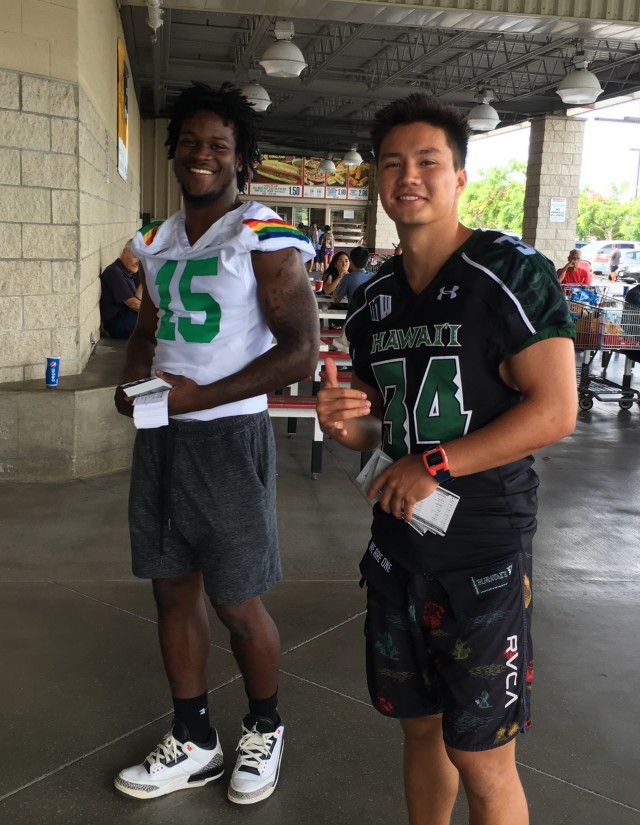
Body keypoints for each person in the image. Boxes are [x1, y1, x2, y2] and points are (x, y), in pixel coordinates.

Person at [316, 93, 577, 825]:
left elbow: (555, 409)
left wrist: (434, 464)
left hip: (482, 556)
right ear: (377, 180)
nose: (409, 176)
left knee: (483, 759)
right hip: (398, 550)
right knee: (419, 727)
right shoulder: (372, 299)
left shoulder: (509, 271)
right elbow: (385, 434)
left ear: (459, 176)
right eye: (392, 163)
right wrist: (349, 427)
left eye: (428, 161)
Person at [112, 82, 318, 806]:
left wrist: (200, 396)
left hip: (228, 436)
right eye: (192, 143)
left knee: (237, 600)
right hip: (162, 435)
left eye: (219, 146)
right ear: (173, 152)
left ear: (241, 160)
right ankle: (194, 737)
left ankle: (265, 725)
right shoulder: (158, 240)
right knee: (172, 588)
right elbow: (146, 333)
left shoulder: (262, 235)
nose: (203, 155)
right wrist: (132, 384)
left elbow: (301, 351)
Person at [99, 240, 142, 338]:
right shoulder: (114, 272)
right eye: (135, 257)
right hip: (119, 325)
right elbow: (133, 304)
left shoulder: (129, 273)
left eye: (142, 259)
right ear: (125, 252)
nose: (138, 262)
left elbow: (139, 298)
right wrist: (158, 311)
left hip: (127, 318)